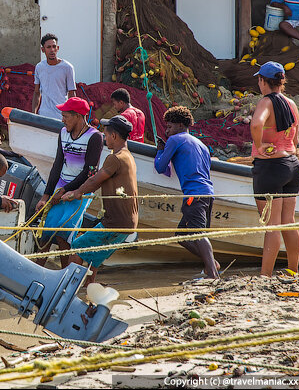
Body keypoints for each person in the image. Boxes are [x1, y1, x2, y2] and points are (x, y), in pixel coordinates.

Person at [62, 116, 139, 284]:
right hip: (127, 223)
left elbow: (94, 180)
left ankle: (65, 289)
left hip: (115, 222)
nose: (104, 139)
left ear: (114, 136)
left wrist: (76, 193)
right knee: (93, 256)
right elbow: (99, 182)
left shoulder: (115, 158)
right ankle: (89, 291)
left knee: (77, 247)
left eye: (106, 135)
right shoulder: (129, 156)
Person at [33, 97, 103, 267]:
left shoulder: (94, 137)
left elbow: (89, 173)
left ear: (78, 116)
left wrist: (65, 190)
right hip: (60, 188)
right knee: (47, 231)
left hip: (80, 192)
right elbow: (57, 165)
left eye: (66, 116)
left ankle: (64, 275)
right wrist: (46, 195)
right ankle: (35, 271)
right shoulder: (63, 132)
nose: (62, 120)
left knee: (64, 234)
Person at [153, 106, 219, 279]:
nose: (167, 131)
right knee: (181, 236)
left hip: (193, 194)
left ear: (181, 125)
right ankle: (212, 263)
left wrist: (160, 149)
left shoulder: (175, 140)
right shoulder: (202, 145)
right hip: (208, 193)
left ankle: (212, 273)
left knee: (198, 234)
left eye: (169, 127)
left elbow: (160, 167)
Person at [250, 61, 299, 277]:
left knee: (272, 225)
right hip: (292, 166)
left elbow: (256, 124)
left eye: (259, 80)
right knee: (288, 221)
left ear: (263, 81)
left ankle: (265, 275)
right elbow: (296, 139)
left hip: (271, 167)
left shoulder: (265, 102)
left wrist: (259, 145)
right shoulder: (292, 104)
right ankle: (293, 270)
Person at [32, 33, 76, 119]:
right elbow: (37, 92)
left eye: (54, 46)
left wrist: (71, 116)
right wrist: (33, 113)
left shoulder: (67, 67)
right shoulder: (39, 67)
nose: (52, 50)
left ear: (58, 48)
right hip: (44, 115)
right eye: (48, 47)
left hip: (61, 116)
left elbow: (72, 93)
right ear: (43, 50)